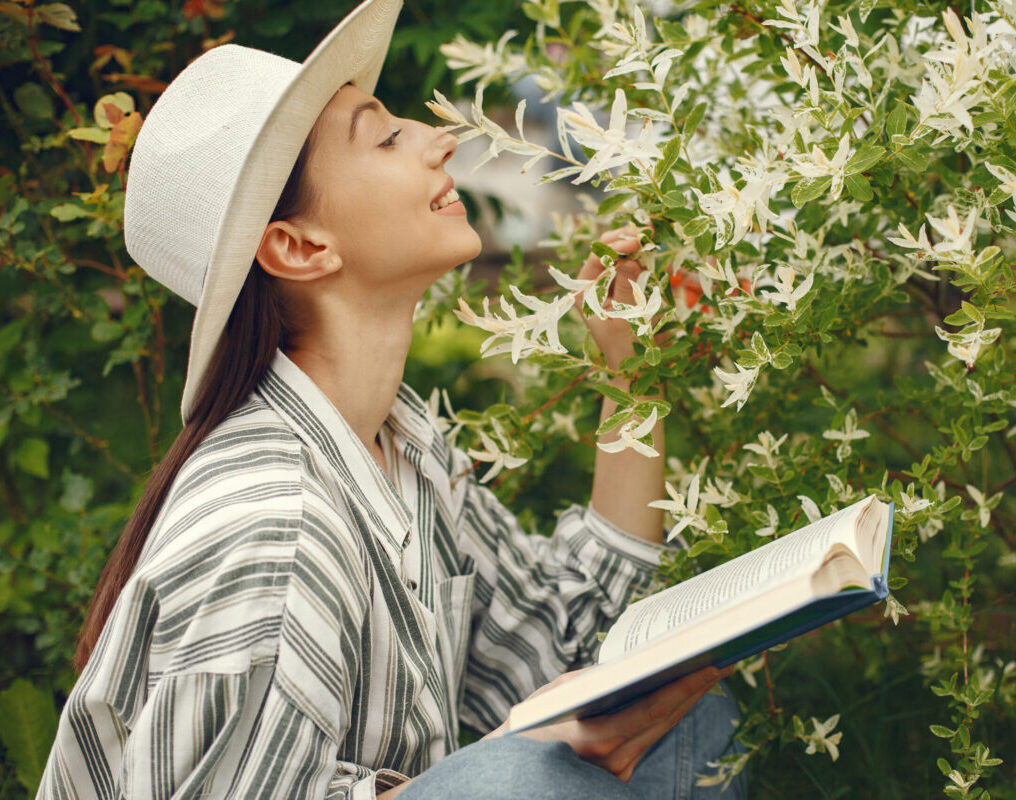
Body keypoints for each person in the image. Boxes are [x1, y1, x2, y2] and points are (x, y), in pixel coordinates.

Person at [38, 0, 743, 797]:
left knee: (683, 725)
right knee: (520, 781)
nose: (441, 138)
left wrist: (630, 374)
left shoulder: (399, 447)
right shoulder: (274, 523)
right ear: (299, 247)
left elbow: (568, 642)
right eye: (386, 136)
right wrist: (514, 753)